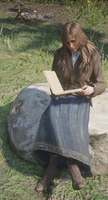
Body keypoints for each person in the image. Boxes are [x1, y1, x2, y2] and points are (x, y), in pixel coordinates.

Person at [34, 22, 106, 192]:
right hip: (62, 95)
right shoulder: (59, 54)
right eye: (67, 42)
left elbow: (101, 83)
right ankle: (73, 168)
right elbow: (55, 80)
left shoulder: (92, 54)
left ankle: (51, 170)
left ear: (79, 38)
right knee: (51, 116)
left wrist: (92, 89)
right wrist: (55, 89)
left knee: (72, 122)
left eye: (73, 41)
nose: (70, 46)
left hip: (81, 98)